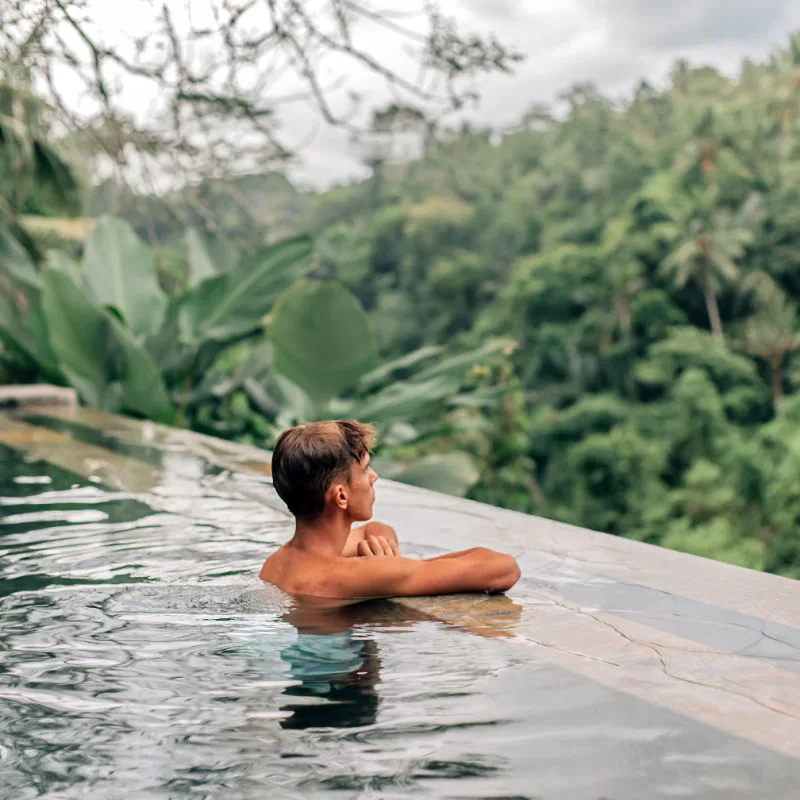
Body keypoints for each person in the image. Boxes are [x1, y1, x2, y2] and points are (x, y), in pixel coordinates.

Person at [259, 420, 520, 600]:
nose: (374, 477)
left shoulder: (277, 563)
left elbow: (375, 530)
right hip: (340, 675)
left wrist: (384, 552)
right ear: (341, 496)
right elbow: (503, 568)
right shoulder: (351, 576)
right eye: (364, 469)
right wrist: (390, 568)